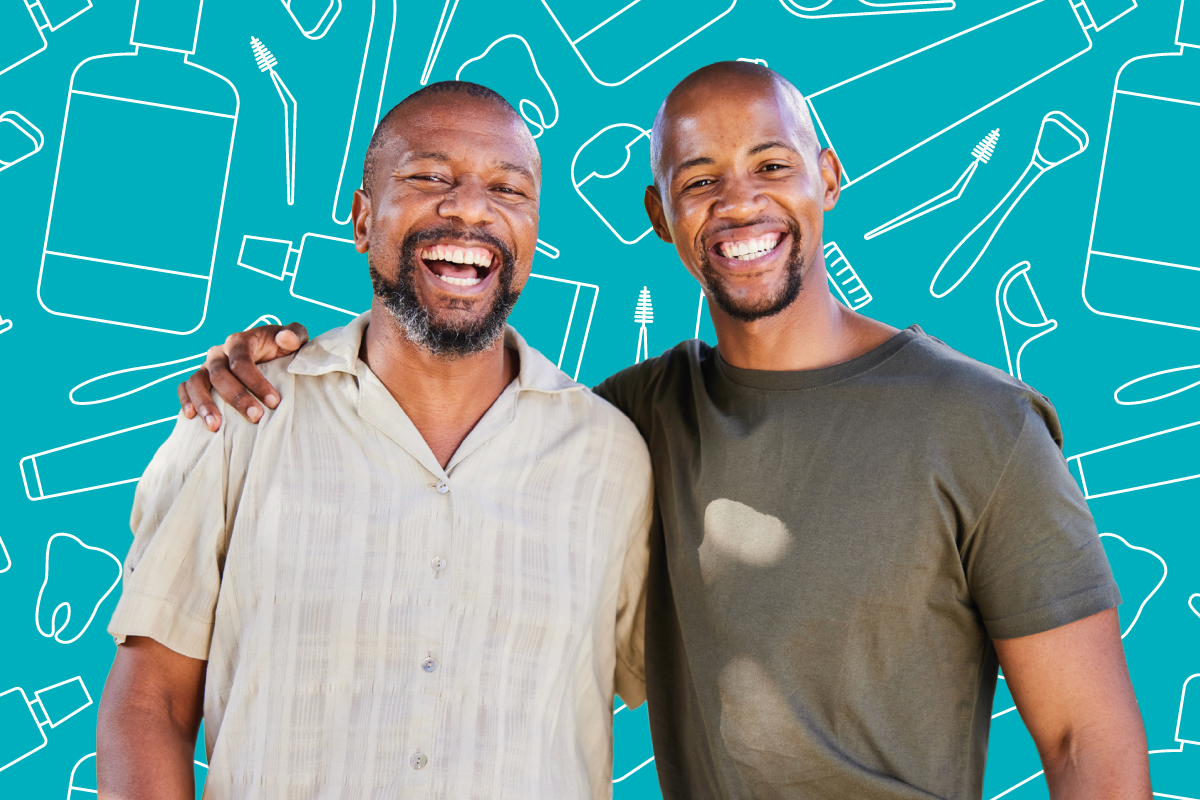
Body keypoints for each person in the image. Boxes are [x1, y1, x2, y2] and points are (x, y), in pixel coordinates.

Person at [176, 63, 1152, 799]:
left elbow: (1086, 744)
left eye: (772, 164)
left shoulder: (981, 424)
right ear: (659, 214)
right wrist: (269, 364)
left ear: (829, 177)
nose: (739, 200)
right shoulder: (621, 426)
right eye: (698, 179)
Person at [96, 82, 654, 800]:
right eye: (428, 177)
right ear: (363, 219)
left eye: (507, 189)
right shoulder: (241, 417)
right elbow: (151, 703)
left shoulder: (611, 457)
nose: (470, 207)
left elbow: (687, 697)